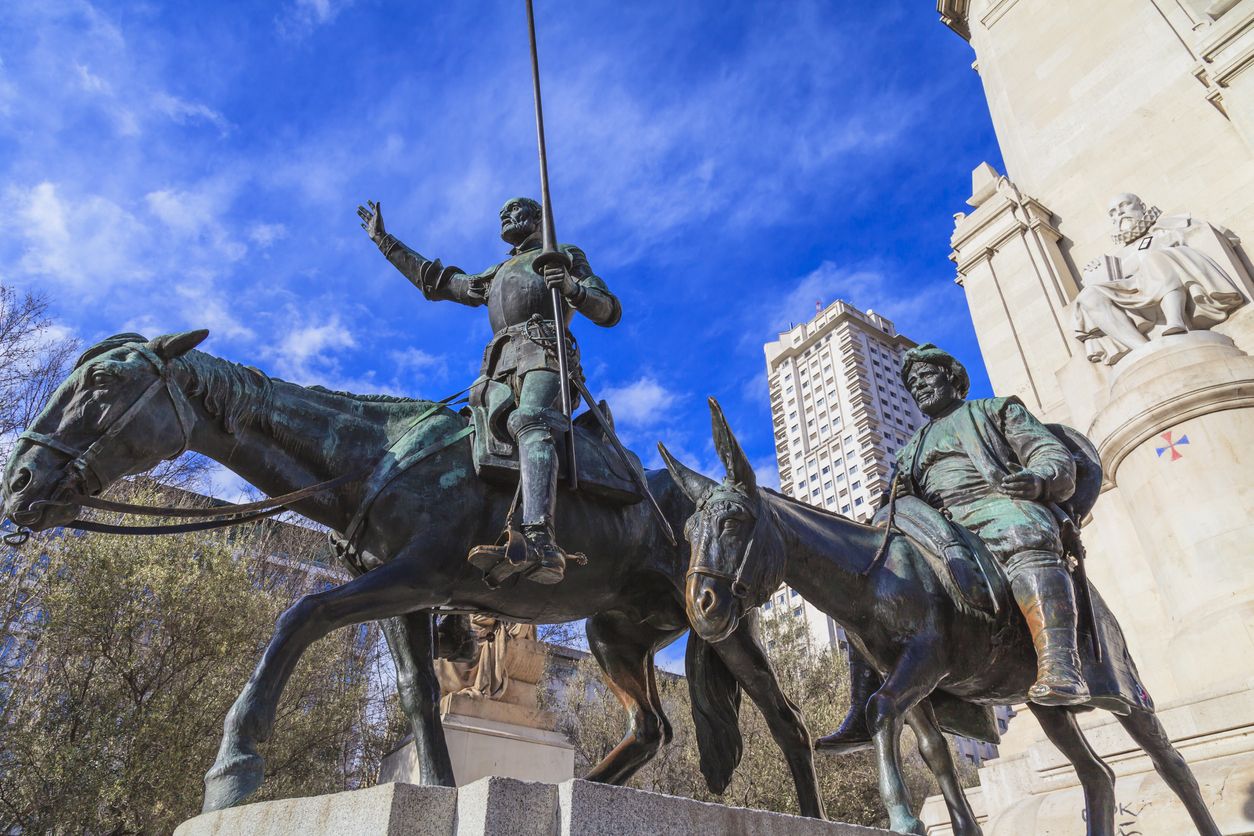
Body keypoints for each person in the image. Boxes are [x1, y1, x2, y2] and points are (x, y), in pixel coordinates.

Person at [819, 344, 1089, 749]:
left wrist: (1039, 480)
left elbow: (1050, 453)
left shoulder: (995, 410)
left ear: (953, 377)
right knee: (866, 585)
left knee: (1023, 537)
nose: (919, 388)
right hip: (939, 528)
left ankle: (1061, 664)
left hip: (999, 503)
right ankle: (863, 707)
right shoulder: (910, 449)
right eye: (912, 385)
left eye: (926, 377)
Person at [357, 197, 621, 583]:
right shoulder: (498, 270)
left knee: (532, 421)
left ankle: (541, 541)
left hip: (546, 355)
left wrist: (569, 286)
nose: (505, 216)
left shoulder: (563, 253)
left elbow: (608, 310)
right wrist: (385, 241)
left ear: (537, 219)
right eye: (502, 212)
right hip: (497, 369)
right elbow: (441, 282)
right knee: (454, 440)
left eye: (515, 210)